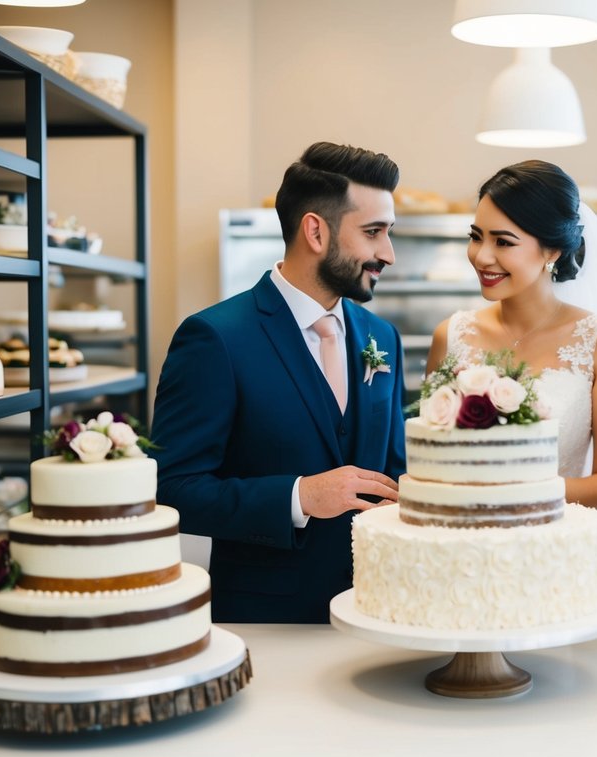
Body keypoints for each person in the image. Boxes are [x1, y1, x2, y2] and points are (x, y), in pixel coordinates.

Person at [151, 141, 406, 624]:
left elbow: (394, 470)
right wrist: (299, 497)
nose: (387, 254)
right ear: (315, 230)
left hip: (383, 612)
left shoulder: (382, 337)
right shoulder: (216, 338)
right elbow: (171, 486)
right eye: (373, 232)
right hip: (267, 621)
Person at [424, 160, 597, 616]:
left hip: (549, 560)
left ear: (551, 252)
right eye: (476, 235)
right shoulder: (451, 334)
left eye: (503, 242)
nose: (482, 256)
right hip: (453, 559)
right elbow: (427, 456)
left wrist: (514, 488)